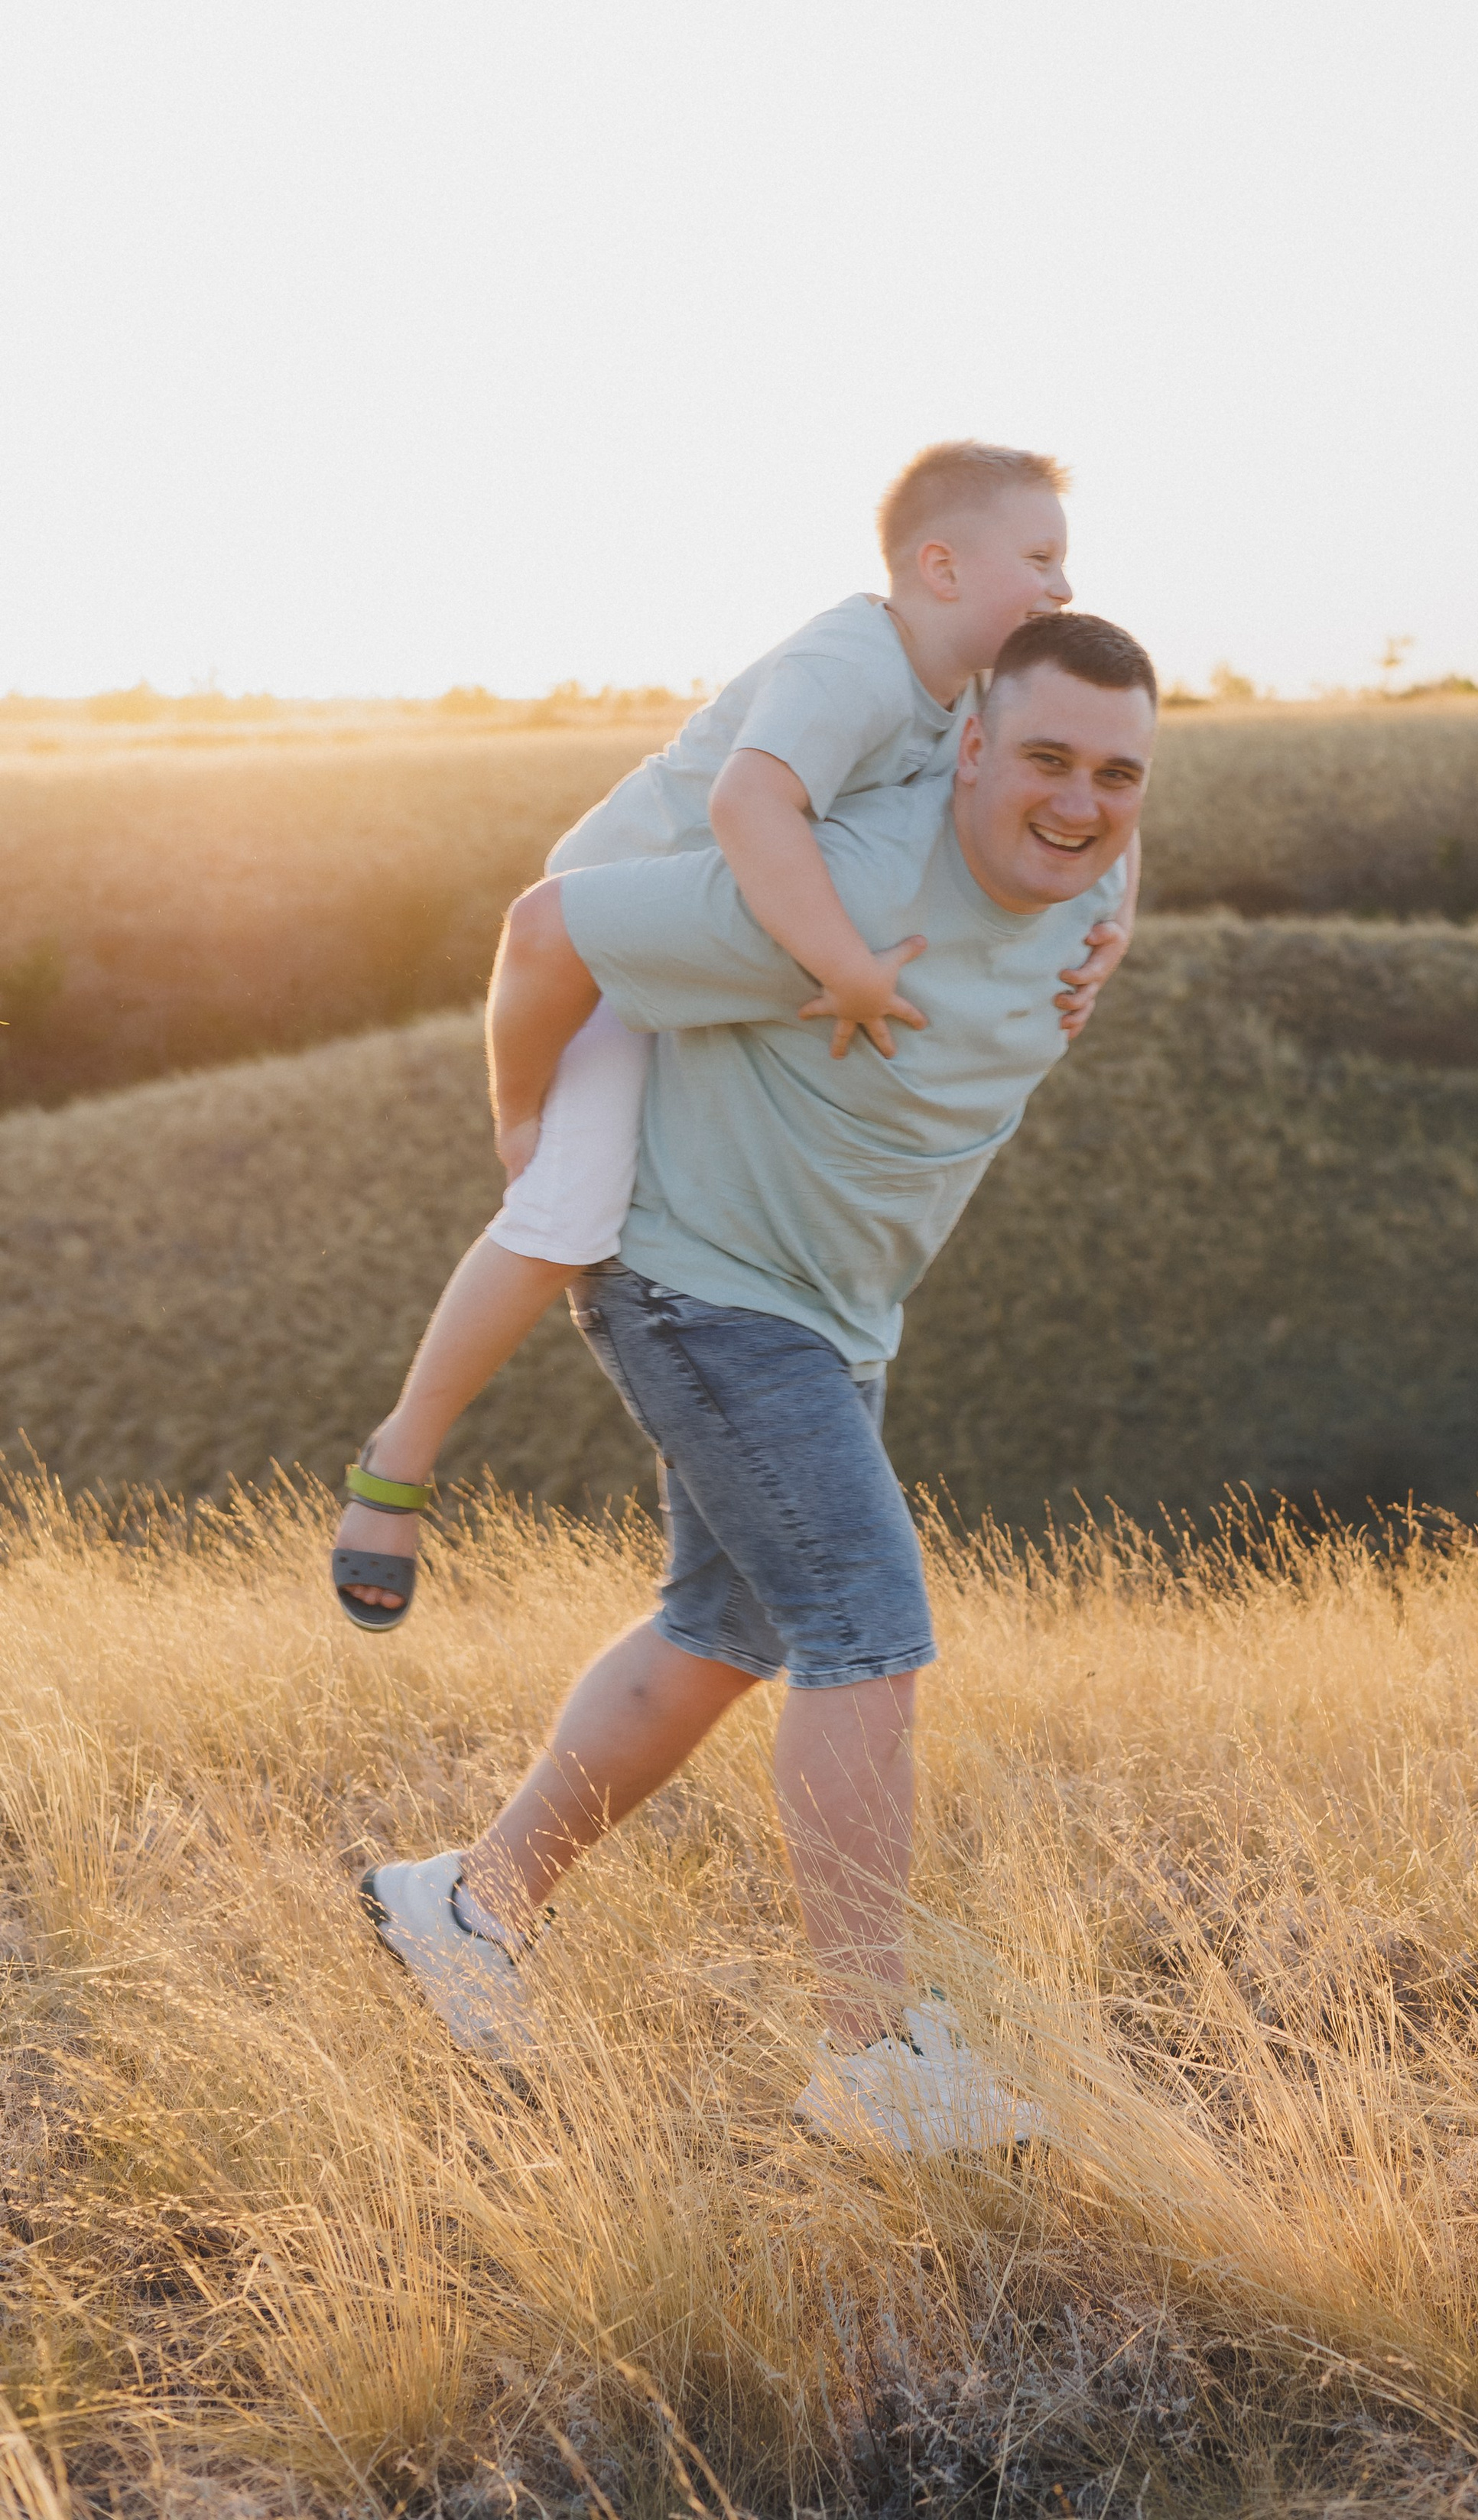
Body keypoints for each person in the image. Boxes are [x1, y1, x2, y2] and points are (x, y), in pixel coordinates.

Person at [357, 613, 1158, 2152]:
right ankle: (871, 2062)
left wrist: (1116, 905)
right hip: (698, 1285)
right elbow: (546, 931)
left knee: (722, 1625)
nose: (1078, 801)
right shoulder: (829, 891)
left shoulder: (1096, 879)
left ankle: (465, 1905)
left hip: (834, 1312)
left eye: (1115, 775)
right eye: (1042, 758)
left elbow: (1103, 822)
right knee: (866, 1630)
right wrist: (525, 1134)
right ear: (967, 746)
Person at [330, 440, 1142, 1625]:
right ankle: (393, 1470)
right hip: (621, 937)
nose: (1065, 585)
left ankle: (709, 1596)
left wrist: (1122, 918)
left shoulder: (973, 681)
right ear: (941, 566)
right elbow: (746, 804)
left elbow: (1110, 763)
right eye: (1041, 557)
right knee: (563, 1209)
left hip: (731, 952)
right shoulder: (855, 661)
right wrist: (849, 970)